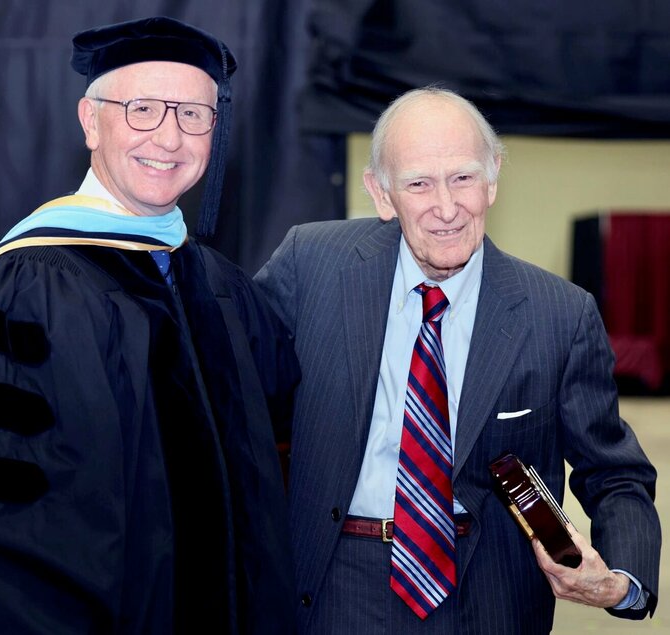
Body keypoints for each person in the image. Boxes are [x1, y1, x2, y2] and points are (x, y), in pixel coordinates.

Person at [0, 17, 299, 634]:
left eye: (193, 114)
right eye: (142, 109)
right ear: (89, 121)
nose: (169, 135)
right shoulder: (30, 286)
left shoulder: (220, 286)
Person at [254, 86, 660, 634]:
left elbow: (615, 473)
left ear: (492, 179)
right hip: (332, 580)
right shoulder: (311, 266)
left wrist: (622, 580)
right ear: (381, 192)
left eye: (463, 178)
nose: (446, 208)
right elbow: (231, 395)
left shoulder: (559, 314)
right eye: (419, 183)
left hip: (487, 594)